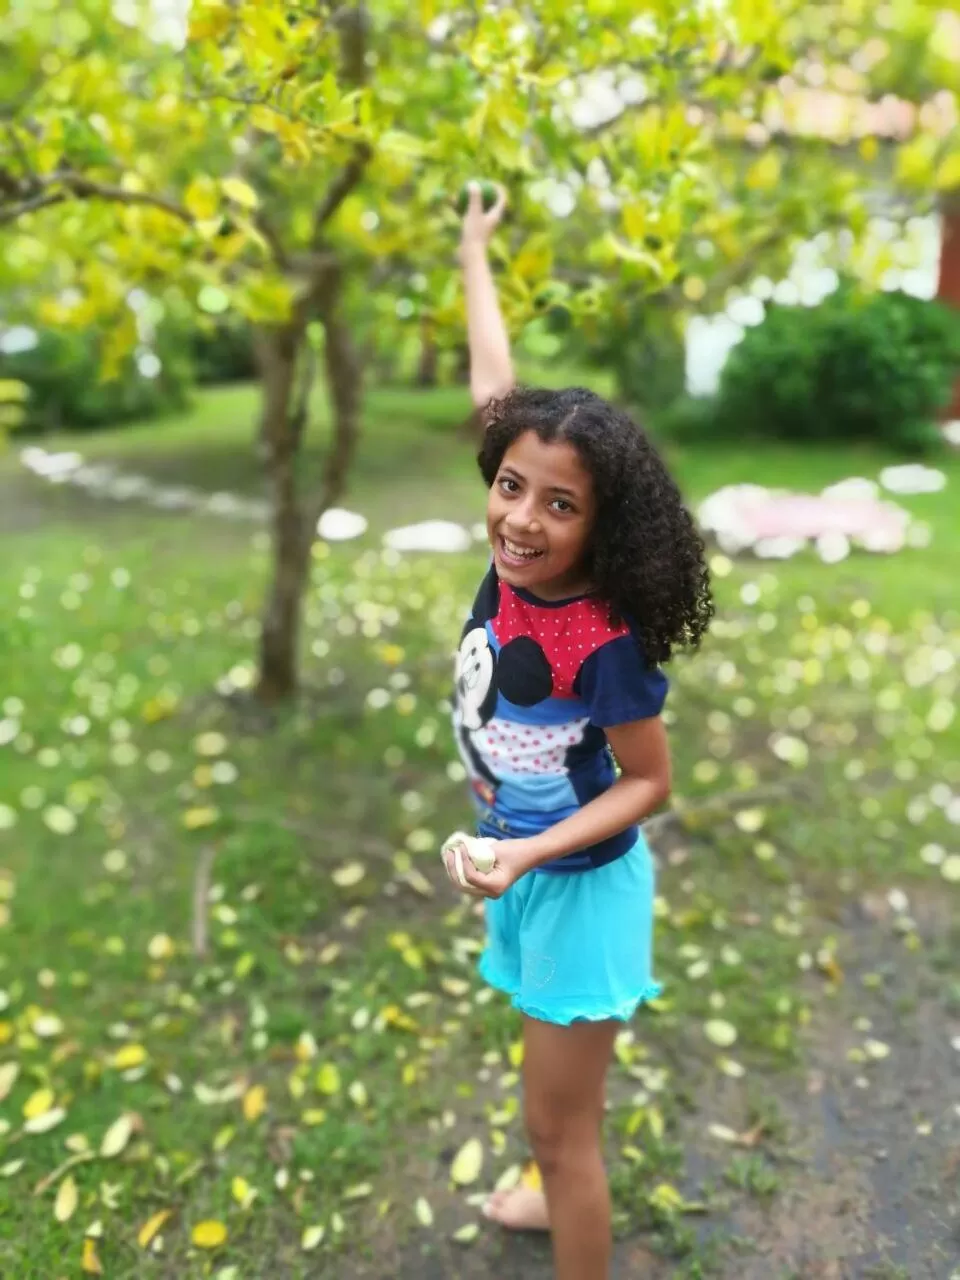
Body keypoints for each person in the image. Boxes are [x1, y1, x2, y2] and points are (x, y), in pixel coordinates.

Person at [442, 184, 714, 1280]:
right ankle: (551, 1185)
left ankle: (568, 1207)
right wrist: (472, 249)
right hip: (526, 866)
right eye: (512, 486)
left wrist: (526, 853)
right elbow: (494, 386)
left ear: (602, 525)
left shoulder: (602, 639)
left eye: (559, 504)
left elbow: (649, 782)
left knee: (566, 1131)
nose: (521, 516)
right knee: (544, 1094)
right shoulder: (515, 561)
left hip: (578, 878)